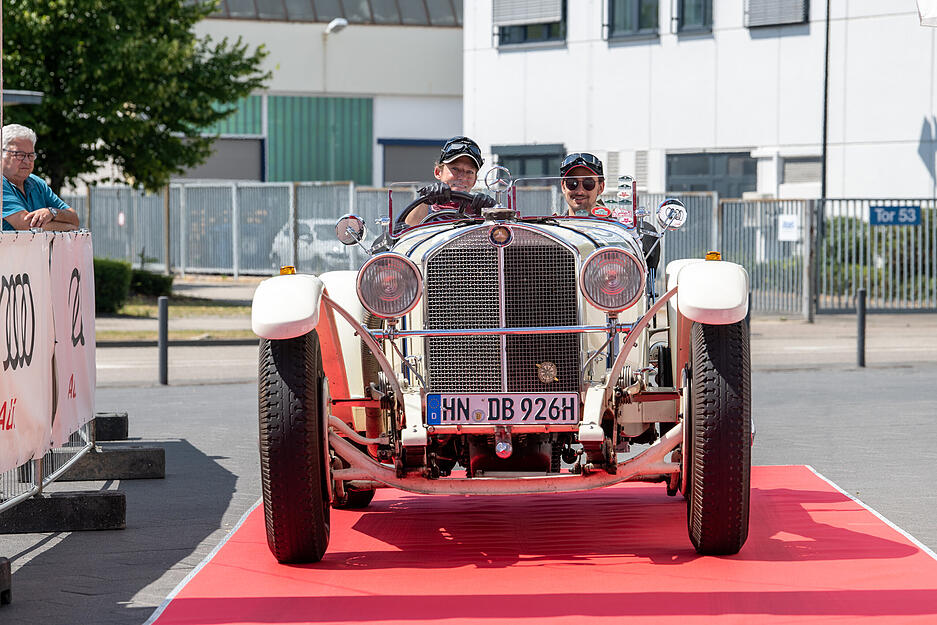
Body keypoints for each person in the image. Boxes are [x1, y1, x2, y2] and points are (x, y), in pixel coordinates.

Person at [2, 124, 79, 232]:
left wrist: (51, 212)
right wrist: (69, 228)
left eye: (30, 155)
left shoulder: (36, 183)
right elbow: (26, 225)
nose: (27, 161)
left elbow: (73, 218)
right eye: (19, 154)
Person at [404, 135, 492, 226]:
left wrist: (490, 213)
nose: (462, 177)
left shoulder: (480, 213)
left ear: (474, 180)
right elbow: (405, 233)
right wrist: (425, 200)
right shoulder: (424, 208)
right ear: (438, 172)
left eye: (469, 172)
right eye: (455, 169)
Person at [560, 152, 608, 217]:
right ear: (563, 187)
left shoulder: (614, 226)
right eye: (572, 183)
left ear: (601, 187)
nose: (579, 192)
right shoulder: (551, 225)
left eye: (588, 183)